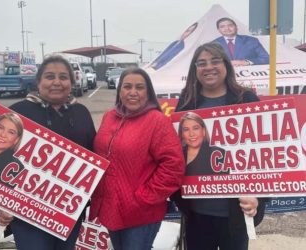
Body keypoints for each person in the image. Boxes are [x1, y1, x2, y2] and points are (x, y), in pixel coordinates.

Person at [173, 42, 266, 250]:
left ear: (226, 65)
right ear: (195, 69)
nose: (208, 67)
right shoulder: (187, 103)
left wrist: (258, 197)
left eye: (215, 61)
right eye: (201, 63)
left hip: (234, 215)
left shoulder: (247, 100)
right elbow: (176, 153)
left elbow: (265, 156)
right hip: (197, 215)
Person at [0, 55, 96, 250]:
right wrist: (2, 203)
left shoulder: (81, 112)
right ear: (39, 81)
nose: (57, 82)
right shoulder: (17, 113)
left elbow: (93, 157)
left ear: (72, 81)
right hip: (26, 213)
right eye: (50, 76)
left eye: (63, 77)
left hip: (68, 210)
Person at [90, 67, 185, 250]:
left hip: (141, 212)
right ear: (120, 91)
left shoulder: (157, 121)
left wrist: (143, 198)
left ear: (148, 92)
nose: (133, 92)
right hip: (111, 208)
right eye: (127, 87)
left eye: (139, 87)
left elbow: (174, 166)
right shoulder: (109, 117)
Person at [178, 111, 226, 176]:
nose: (191, 134)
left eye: (195, 128)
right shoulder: (177, 154)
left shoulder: (218, 153)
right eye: (186, 129)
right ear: (182, 134)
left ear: (203, 131)